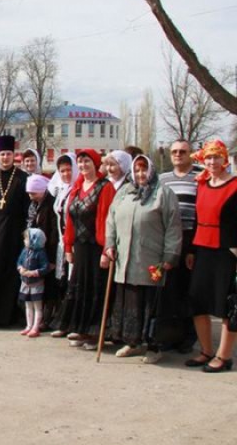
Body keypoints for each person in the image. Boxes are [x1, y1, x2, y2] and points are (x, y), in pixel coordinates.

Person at [104, 155, 182, 363]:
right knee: (130, 302)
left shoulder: (163, 194)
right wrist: (110, 244)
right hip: (125, 260)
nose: (140, 174)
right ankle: (133, 342)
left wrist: (169, 256)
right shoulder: (124, 193)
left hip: (150, 259)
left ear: (151, 171)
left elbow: (173, 227)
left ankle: (154, 347)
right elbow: (110, 219)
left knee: (151, 304)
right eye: (136, 170)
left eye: (143, 170)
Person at [185, 139, 237, 372]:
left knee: (225, 304)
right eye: (208, 157)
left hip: (227, 251)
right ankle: (206, 350)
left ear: (224, 159)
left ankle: (224, 356)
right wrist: (192, 250)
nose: (212, 162)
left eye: (216, 157)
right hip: (203, 249)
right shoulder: (202, 184)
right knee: (198, 300)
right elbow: (197, 220)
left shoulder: (235, 186)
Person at [57, 149, 115, 348]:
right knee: (80, 287)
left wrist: (107, 249)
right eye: (80, 163)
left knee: (95, 288)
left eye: (87, 162)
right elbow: (69, 219)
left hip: (96, 246)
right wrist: (68, 246)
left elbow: (108, 220)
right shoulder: (77, 187)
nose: (83, 166)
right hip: (80, 246)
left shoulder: (104, 187)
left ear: (96, 163)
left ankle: (95, 333)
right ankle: (81, 329)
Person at [0, 135, 31, 327]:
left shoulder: (23, 178)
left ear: (13, 155)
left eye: (8, 154)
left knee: (11, 276)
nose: (5, 158)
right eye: (2, 154)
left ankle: (9, 317)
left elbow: (28, 209)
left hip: (14, 235)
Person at [158, 139, 200, 352]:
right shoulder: (163, 178)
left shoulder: (200, 177)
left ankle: (188, 337)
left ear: (190, 153)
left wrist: (192, 248)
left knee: (188, 289)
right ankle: (169, 335)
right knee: (169, 289)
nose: (178, 155)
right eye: (174, 151)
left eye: (182, 151)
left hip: (191, 237)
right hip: (168, 238)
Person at [46, 153, 78, 336]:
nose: (66, 174)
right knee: (63, 283)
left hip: (74, 243)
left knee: (73, 283)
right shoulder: (62, 189)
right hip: (61, 242)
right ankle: (63, 322)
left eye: (69, 170)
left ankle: (73, 323)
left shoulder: (78, 187)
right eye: (62, 170)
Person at [25, 173, 59, 327]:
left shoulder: (50, 204)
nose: (31, 196)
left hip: (47, 250)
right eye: (29, 193)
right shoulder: (33, 204)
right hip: (34, 251)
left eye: (34, 193)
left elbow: (53, 232)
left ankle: (47, 318)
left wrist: (51, 259)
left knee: (50, 286)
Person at [17, 228, 50, 337]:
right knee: (28, 305)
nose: (24, 241)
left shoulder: (40, 253)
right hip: (25, 282)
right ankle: (28, 326)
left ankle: (36, 327)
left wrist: (33, 272)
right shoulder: (25, 251)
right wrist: (20, 268)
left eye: (26, 238)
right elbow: (19, 261)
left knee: (37, 306)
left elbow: (45, 267)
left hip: (36, 284)